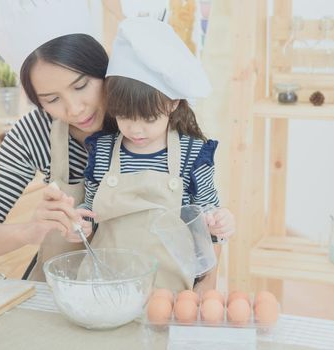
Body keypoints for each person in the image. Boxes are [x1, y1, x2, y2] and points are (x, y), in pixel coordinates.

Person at [0, 0, 117, 281]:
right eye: (52, 99)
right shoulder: (34, 133)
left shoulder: (144, 112)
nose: (74, 109)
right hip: (64, 291)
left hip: (144, 284)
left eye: (81, 86)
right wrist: (29, 230)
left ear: (102, 68)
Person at [83, 17, 235, 291]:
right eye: (124, 116)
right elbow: (91, 210)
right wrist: (79, 221)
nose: (136, 129)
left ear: (173, 103)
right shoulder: (103, 150)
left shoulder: (193, 154)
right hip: (106, 286)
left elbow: (208, 216)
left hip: (169, 290)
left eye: (149, 118)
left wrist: (220, 222)